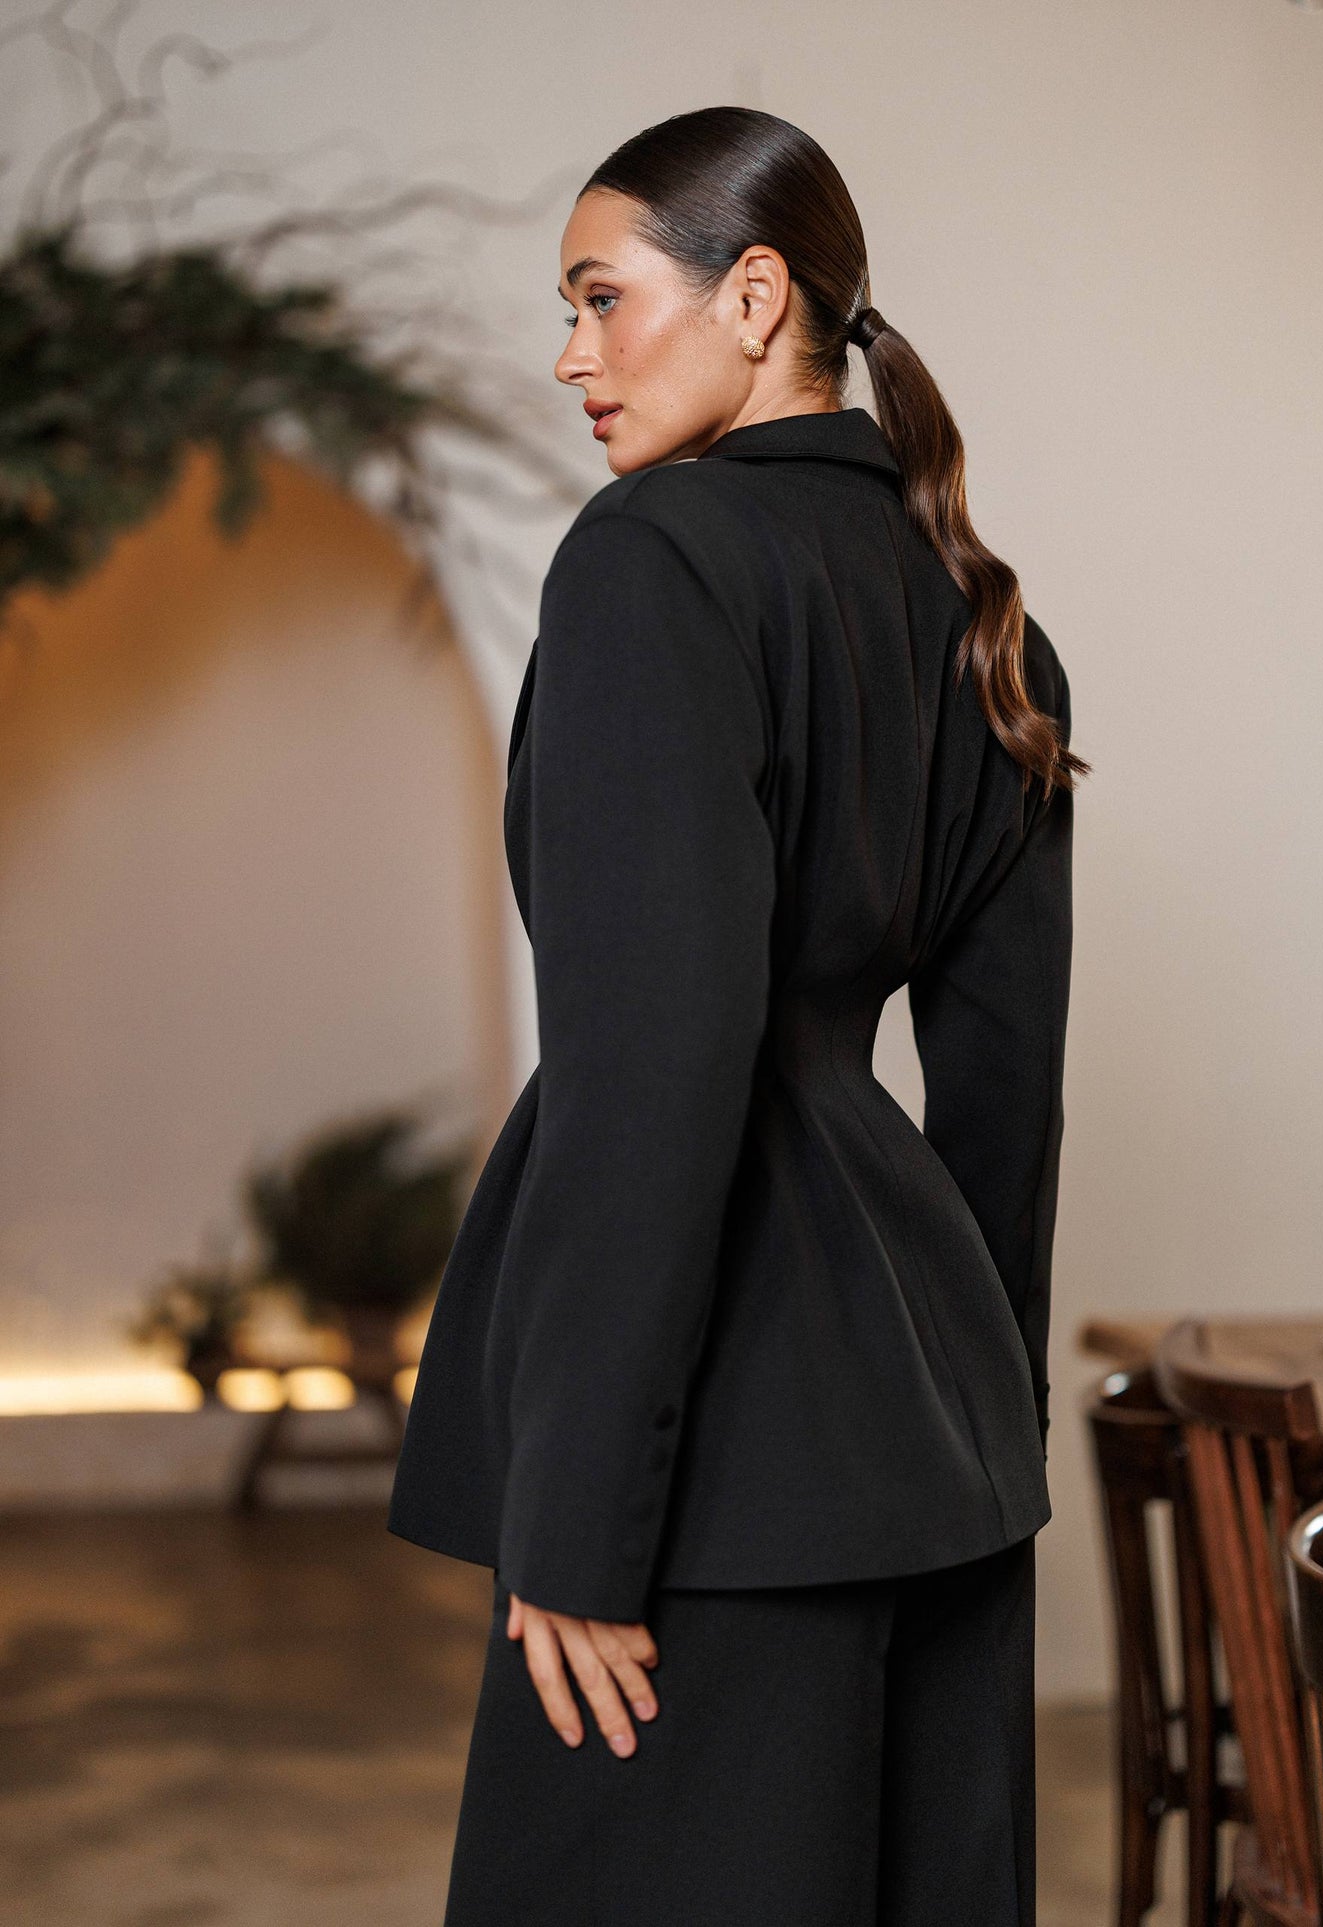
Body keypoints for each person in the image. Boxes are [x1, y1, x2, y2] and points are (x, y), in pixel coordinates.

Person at [387, 104, 1088, 1926]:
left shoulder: (653, 564)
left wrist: (578, 1524)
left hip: (708, 1473)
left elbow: (651, 1074)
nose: (569, 356)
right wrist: (984, 1435)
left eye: (600, 298)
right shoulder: (988, 620)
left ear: (755, 292)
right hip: (929, 1447)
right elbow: (1007, 1103)